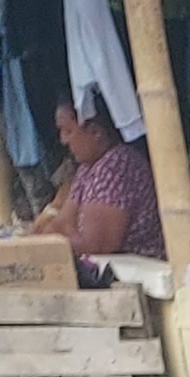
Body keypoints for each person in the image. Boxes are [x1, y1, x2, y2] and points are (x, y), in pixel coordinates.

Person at [38, 100, 162, 267]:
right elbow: (58, 225)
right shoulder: (86, 167)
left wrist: (66, 233)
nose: (63, 140)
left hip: (137, 271)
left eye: (68, 131)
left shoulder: (118, 165)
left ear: (95, 132)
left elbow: (95, 245)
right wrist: (69, 233)